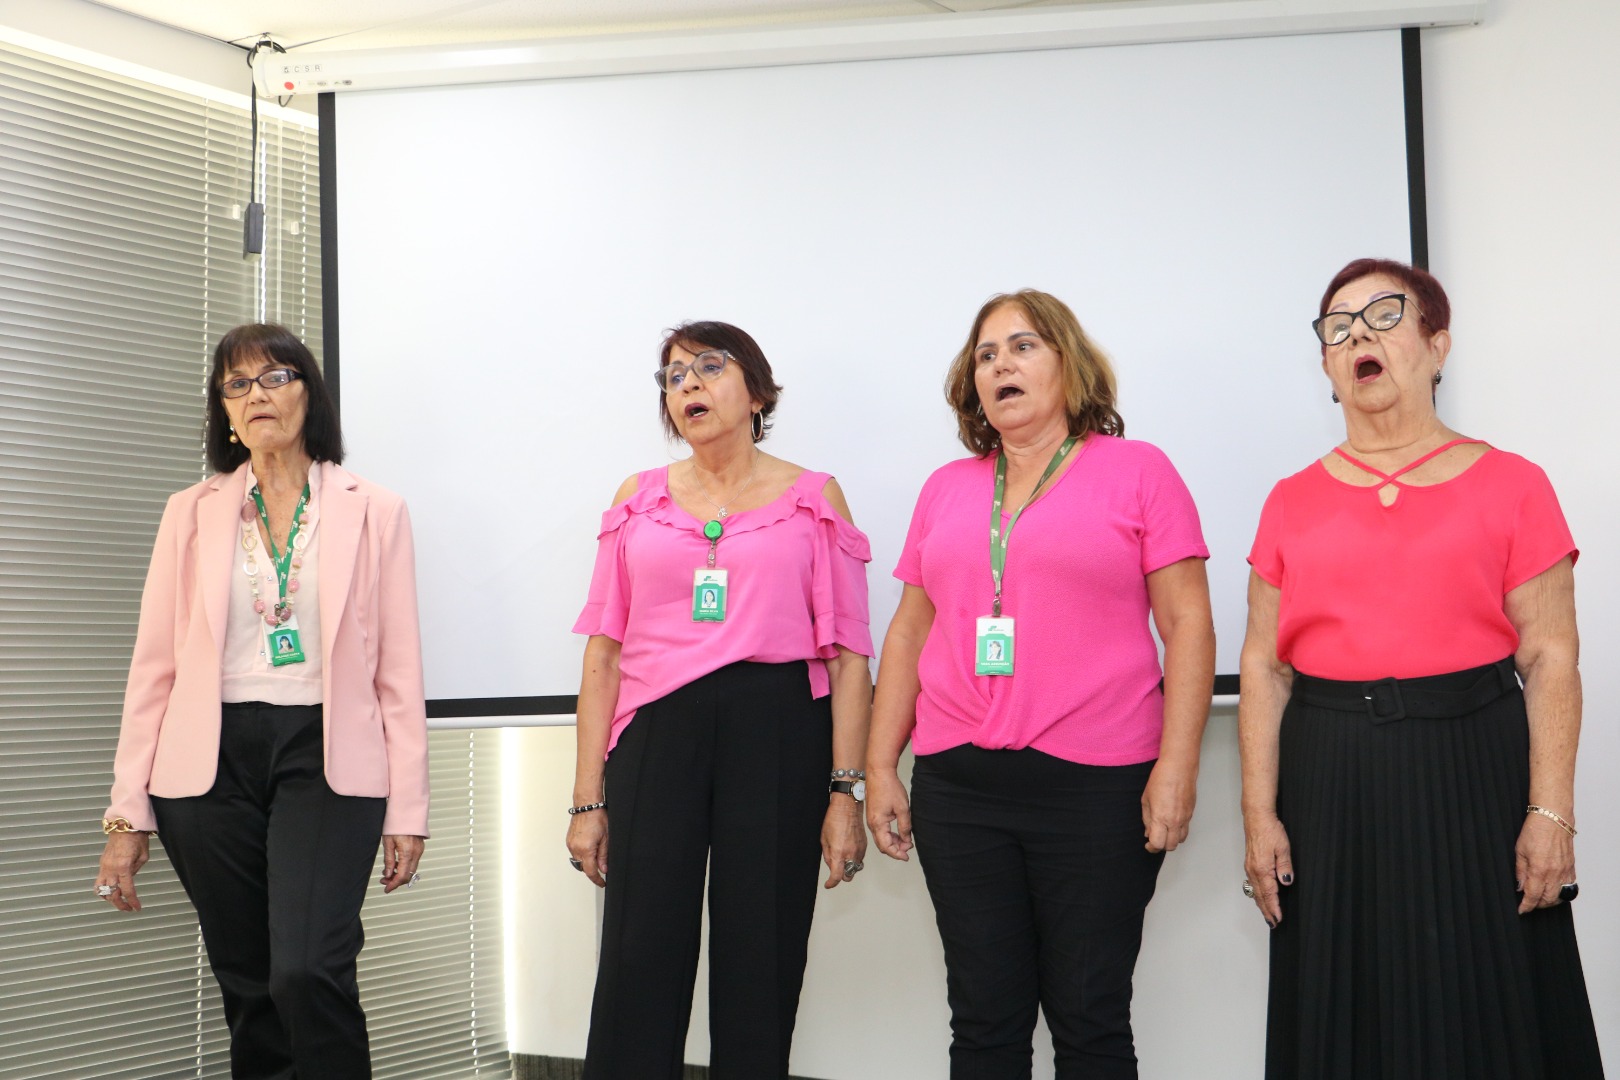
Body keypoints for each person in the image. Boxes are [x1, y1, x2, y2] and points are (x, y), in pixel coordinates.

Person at [1239, 258, 1604, 1079]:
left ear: (1438, 347)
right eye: (1338, 327)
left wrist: (1551, 812)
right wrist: (1259, 817)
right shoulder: (1289, 500)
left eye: (1382, 315)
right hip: (1331, 777)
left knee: (1494, 1002)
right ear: (1327, 366)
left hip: (1474, 765)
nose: (1356, 335)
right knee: (1342, 1004)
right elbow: (1263, 667)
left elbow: (1551, 656)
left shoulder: (1514, 484)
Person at [866, 290, 1215, 1079]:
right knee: (983, 1021)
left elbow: (1189, 624)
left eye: (1022, 347)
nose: (1001, 365)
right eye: (986, 355)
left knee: (1090, 1019)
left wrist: (1178, 764)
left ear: (1069, 363)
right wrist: (881, 764)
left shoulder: (1139, 470)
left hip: (1098, 789)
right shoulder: (947, 487)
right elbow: (910, 631)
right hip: (958, 788)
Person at [95, 324, 430, 1080]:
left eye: (276, 377)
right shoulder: (191, 511)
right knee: (248, 983)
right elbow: (153, 668)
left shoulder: (375, 509)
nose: (257, 395)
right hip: (206, 765)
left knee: (307, 969)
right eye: (238, 384)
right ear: (224, 410)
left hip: (326, 753)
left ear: (310, 394)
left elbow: (399, 672)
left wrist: (408, 808)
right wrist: (126, 815)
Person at [566, 321, 873, 1080]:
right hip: (656, 733)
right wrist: (586, 801)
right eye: (673, 377)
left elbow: (848, 658)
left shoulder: (813, 498)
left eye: (709, 367)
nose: (689, 385)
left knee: (761, 956)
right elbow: (604, 654)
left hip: (778, 733)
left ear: (758, 393)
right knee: (639, 952)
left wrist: (846, 792)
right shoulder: (638, 498)